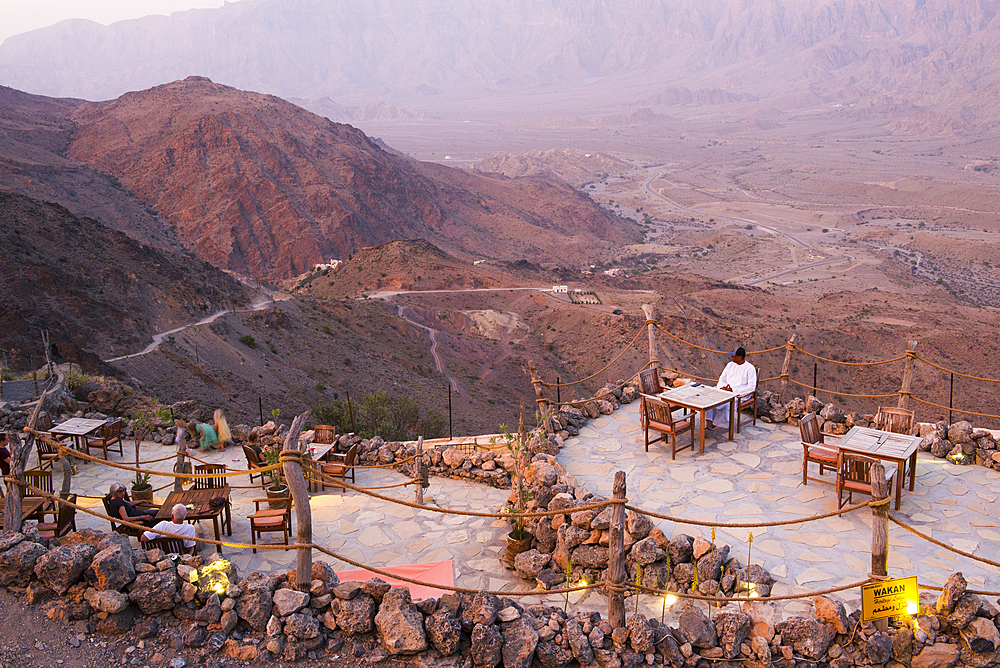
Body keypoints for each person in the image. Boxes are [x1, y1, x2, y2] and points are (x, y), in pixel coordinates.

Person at [705, 347, 757, 430]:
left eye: (733, 356)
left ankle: (717, 423)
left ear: (739, 357)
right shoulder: (730, 365)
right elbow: (722, 379)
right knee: (710, 399)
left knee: (726, 405)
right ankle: (709, 422)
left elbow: (751, 387)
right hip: (725, 391)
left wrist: (733, 391)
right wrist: (723, 387)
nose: (731, 357)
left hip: (739, 394)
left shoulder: (750, 369)